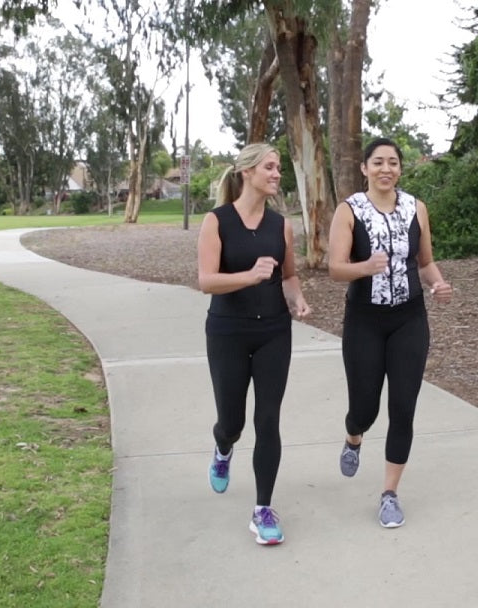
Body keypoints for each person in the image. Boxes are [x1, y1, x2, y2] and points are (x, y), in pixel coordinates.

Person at [328, 137, 452, 528]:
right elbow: (335, 268)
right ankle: (353, 436)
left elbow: (425, 262)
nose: (386, 169)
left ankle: (389, 495)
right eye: (378, 162)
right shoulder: (350, 210)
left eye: (393, 162)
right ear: (364, 168)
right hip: (364, 320)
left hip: (409, 319)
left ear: (400, 168)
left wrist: (437, 283)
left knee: (403, 407)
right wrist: (365, 267)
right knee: (365, 408)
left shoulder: (417, 208)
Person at [197, 142, 311, 545]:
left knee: (268, 420)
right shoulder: (217, 221)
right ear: (247, 172)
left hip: (274, 332)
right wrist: (249, 275)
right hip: (228, 332)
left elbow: (288, 275)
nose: (277, 174)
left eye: (278, 167)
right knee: (233, 423)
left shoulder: (281, 225)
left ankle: (263, 509)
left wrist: (297, 299)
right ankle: (223, 447)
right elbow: (206, 281)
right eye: (270, 167)